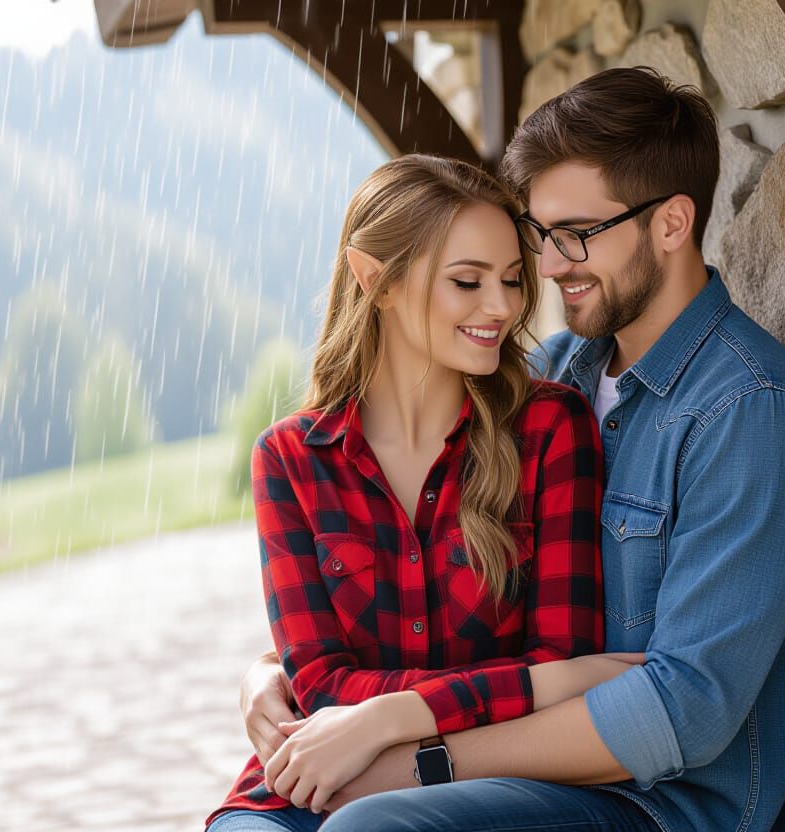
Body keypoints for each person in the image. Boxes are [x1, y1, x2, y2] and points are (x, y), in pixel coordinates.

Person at [240, 68, 785, 831]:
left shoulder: (753, 415)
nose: (549, 267)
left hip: (653, 804)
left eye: (576, 235)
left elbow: (681, 712)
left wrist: (418, 761)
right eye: (542, 235)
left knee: (370, 827)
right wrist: (270, 674)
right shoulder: (551, 376)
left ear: (670, 224)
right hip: (496, 770)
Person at [206, 154, 649, 831]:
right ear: (376, 281)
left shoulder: (550, 428)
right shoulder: (288, 460)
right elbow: (321, 685)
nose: (501, 307)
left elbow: (562, 657)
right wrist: (275, 680)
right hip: (310, 776)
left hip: (483, 782)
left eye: (511, 279)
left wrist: (388, 716)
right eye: (467, 281)